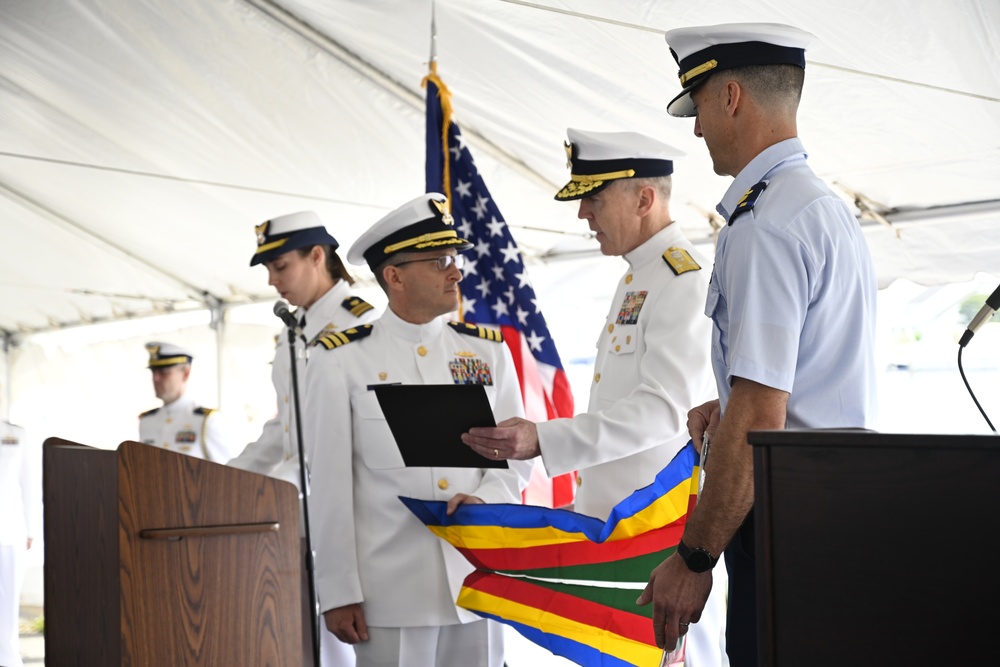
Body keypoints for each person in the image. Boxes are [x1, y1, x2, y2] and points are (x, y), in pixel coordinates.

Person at [637, 23, 878, 666]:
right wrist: (731, 399)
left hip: (784, 520)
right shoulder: (821, 208)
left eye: (699, 109)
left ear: (733, 97)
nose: (696, 131)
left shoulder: (763, 224)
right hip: (836, 508)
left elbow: (761, 414)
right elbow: (800, 378)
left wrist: (693, 559)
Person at [461, 128, 728, 664]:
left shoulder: (682, 279)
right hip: (618, 534)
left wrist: (544, 439)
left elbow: (662, 412)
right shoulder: (639, 276)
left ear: (644, 199)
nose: (584, 213)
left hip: (653, 538)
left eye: (595, 197)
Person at [303, 193, 533, 667]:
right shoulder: (341, 359)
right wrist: (338, 589)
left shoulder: (488, 352)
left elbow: (514, 460)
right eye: (440, 261)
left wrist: (487, 500)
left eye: (456, 259)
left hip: (477, 582)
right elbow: (328, 484)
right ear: (395, 276)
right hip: (390, 595)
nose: (456, 272)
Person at [227, 210, 375, 667]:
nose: (273, 281)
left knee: (347, 646)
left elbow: (351, 434)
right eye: (269, 270)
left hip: (348, 514)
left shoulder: (361, 326)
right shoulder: (294, 332)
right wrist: (224, 476)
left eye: (281, 266)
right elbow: (285, 428)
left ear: (317, 256)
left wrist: (278, 484)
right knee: (307, 644)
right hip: (297, 511)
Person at [138, 342, 239, 462]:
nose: (156, 378)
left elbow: (229, 472)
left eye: (164, 372)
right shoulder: (146, 421)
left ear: (186, 373)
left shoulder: (207, 421)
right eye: (153, 372)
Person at [0, 420, 41, 667]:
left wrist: (32, 528)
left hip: (9, 530)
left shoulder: (16, 434)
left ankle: (8, 659)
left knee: (7, 605)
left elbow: (30, 485)